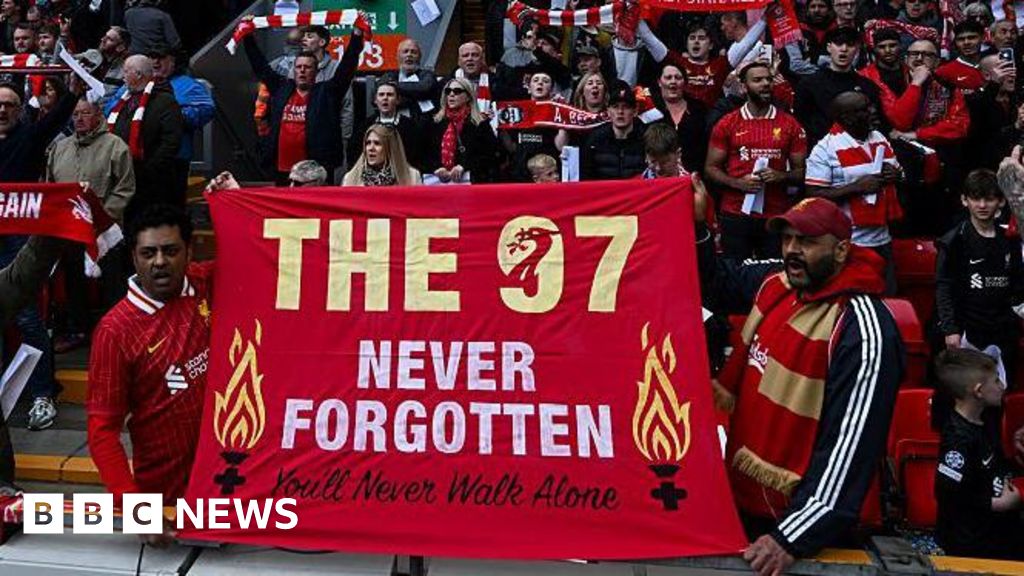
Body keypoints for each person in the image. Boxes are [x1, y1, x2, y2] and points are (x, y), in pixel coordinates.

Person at [711, 197, 903, 576]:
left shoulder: (864, 329)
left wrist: (792, 537)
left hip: (806, 535)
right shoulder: (779, 287)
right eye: (787, 239)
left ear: (841, 250)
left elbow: (849, 449)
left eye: (807, 241)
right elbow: (713, 281)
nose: (792, 250)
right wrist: (699, 229)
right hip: (751, 509)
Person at [87, 204, 211, 531]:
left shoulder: (204, 282)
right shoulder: (115, 331)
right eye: (148, 253)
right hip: (165, 507)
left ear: (189, 252)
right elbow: (102, 432)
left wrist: (238, 199)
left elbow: (264, 254)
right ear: (134, 257)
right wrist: (135, 508)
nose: (159, 262)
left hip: (226, 491)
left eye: (170, 251)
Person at [47, 96, 137, 354]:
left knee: (112, 283)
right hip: (71, 229)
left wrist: (102, 218)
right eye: (75, 114)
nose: (79, 118)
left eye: (85, 113)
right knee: (74, 282)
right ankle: (78, 330)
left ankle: (117, 332)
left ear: (98, 114)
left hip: (106, 231)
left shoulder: (115, 146)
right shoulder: (60, 148)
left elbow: (125, 188)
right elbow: (50, 185)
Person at [243, 15, 365, 184]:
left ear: (316, 71)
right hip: (282, 169)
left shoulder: (327, 92)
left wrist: (357, 35)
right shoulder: (281, 88)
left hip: (316, 172)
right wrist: (247, 36)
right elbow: (260, 66)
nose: (302, 70)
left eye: (307, 67)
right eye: (298, 67)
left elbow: (347, 67)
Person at [705, 62, 807, 260]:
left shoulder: (790, 124)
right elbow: (710, 168)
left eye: (768, 79)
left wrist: (782, 176)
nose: (766, 84)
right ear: (744, 87)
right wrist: (736, 183)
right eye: (758, 80)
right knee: (734, 271)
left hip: (775, 215)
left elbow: (803, 172)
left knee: (773, 270)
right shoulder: (727, 123)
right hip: (735, 212)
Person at [805, 91, 903, 292]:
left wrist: (896, 175)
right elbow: (813, 194)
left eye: (871, 105)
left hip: (882, 238)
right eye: (864, 109)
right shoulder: (825, 148)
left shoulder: (879, 138)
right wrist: (856, 188)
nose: (873, 111)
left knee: (887, 298)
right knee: (855, 299)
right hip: (849, 243)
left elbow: (899, 173)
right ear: (847, 118)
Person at [934, 348, 1024, 560]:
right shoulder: (958, 439)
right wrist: (997, 504)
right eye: (996, 381)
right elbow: (948, 493)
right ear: (979, 391)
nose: (1002, 386)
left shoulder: (986, 420)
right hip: (972, 543)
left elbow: (988, 468)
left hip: (998, 532)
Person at [934, 169, 1024, 376]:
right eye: (976, 199)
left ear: (1001, 201)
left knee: (1001, 389)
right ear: (964, 200)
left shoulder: (1010, 240)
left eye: (989, 199)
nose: (982, 205)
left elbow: (1018, 286)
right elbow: (944, 287)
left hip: (1003, 331)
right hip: (967, 331)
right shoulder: (953, 241)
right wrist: (950, 330)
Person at [105, 54, 183, 217]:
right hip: (124, 176)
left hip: (152, 181)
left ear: (138, 75)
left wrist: (148, 170)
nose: (123, 76)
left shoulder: (165, 101)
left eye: (126, 71)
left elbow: (171, 142)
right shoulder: (125, 101)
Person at [794, 27, 884, 146]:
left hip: (861, 148)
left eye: (850, 45)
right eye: (838, 44)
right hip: (823, 148)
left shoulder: (868, 86)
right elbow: (800, 123)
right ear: (829, 47)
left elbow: (876, 123)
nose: (844, 49)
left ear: (857, 50)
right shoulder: (809, 84)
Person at [146, 44, 214, 198]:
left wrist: (174, 116)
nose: (155, 62)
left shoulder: (188, 85)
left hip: (175, 158)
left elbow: (207, 110)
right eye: (152, 57)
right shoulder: (141, 82)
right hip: (144, 156)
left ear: (173, 61)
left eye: (161, 57)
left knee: (171, 203)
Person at [424, 77, 500, 183]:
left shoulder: (479, 124)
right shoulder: (435, 122)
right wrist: (437, 168)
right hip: (438, 182)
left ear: (468, 97)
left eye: (457, 91)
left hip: (471, 181)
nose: (451, 94)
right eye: (448, 91)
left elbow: (490, 155)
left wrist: (464, 166)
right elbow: (424, 153)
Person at [350, 76, 425, 172]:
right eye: (381, 95)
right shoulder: (365, 126)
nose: (385, 98)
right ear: (375, 100)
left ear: (398, 100)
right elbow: (355, 156)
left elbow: (418, 158)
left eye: (390, 95)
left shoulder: (410, 127)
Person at [582, 79, 646, 180]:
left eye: (626, 107)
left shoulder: (645, 139)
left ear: (635, 111)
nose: (620, 111)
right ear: (608, 111)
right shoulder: (595, 140)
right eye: (615, 107)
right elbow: (586, 177)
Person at [653, 62, 708, 173]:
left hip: (694, 173)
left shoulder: (699, 109)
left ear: (684, 82)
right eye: (668, 77)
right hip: (659, 173)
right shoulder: (651, 109)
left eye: (678, 78)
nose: (673, 81)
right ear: (659, 82)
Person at [342, 123, 422, 186]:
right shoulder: (350, 179)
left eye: (377, 143)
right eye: (368, 143)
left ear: (389, 148)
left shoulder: (412, 177)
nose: (371, 148)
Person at [935, 20, 986, 96]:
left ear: (982, 38)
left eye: (972, 38)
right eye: (961, 39)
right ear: (955, 42)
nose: (966, 42)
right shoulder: (944, 72)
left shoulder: (994, 65)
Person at [396, 38, 439, 116]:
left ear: (419, 57)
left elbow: (425, 88)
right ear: (398, 57)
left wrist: (396, 87)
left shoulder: (427, 74)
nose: (409, 55)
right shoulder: (390, 75)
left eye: (413, 52)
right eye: (405, 51)